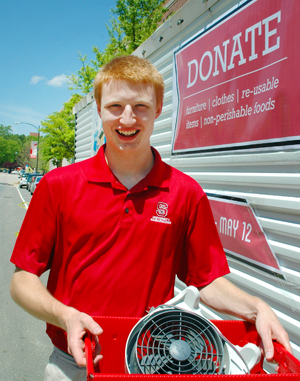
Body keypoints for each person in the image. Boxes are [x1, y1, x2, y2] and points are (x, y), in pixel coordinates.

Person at [10, 55, 291, 381]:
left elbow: (207, 281)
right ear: (99, 108)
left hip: (153, 364)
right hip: (72, 363)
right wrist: (65, 315)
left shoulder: (185, 193)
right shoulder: (58, 186)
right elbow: (22, 281)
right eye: (115, 106)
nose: (127, 118)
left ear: (158, 108)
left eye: (141, 106)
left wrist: (257, 308)